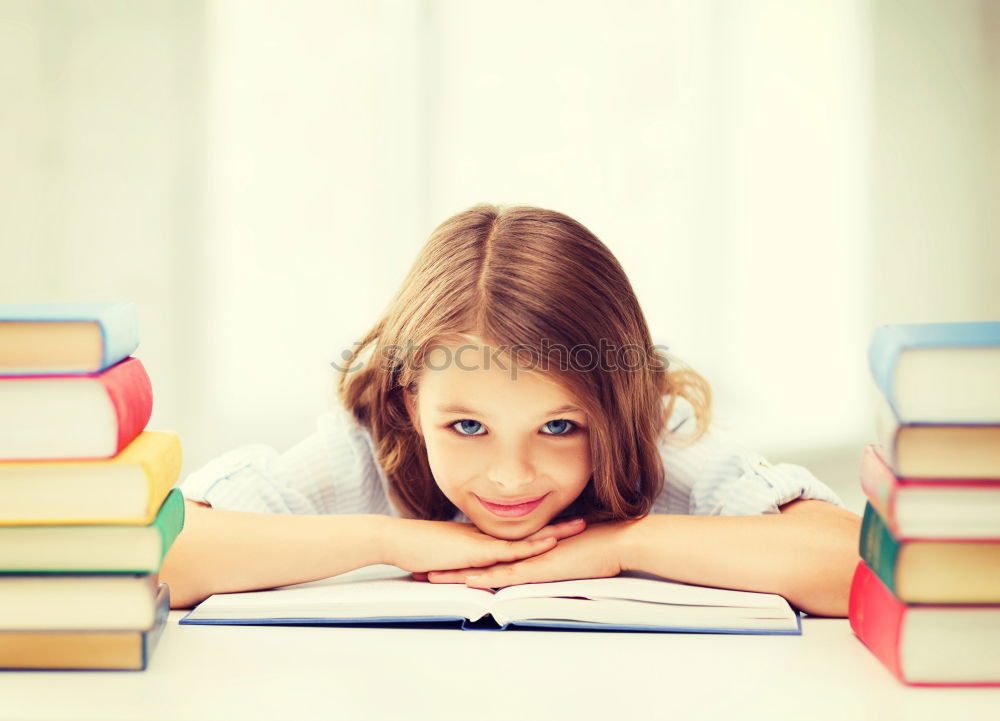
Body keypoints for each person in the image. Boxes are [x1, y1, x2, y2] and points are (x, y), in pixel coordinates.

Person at [160, 204, 862, 616]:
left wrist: (621, 544)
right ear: (411, 400)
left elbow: (852, 560)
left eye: (559, 426)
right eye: (467, 426)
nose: (510, 476)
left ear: (614, 411)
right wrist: (392, 540)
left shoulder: (653, 447)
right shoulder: (372, 448)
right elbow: (161, 554)